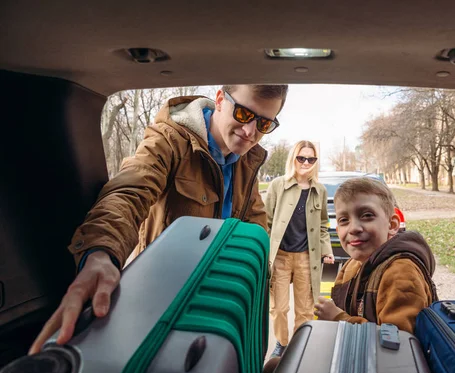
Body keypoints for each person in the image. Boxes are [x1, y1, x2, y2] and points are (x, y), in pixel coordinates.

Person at [29, 84, 289, 354]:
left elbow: (255, 233)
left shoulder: (248, 164)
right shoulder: (169, 140)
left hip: (217, 305)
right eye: (245, 115)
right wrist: (101, 253)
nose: (250, 132)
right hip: (162, 305)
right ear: (221, 99)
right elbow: (129, 191)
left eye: (263, 124)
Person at [314, 177, 438, 333]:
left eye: (366, 215)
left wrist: (338, 318)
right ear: (338, 230)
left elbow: (399, 342)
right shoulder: (351, 265)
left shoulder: (400, 272)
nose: (354, 228)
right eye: (344, 220)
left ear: (392, 225)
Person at [264, 140, 334, 358]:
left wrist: (327, 249)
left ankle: (298, 346)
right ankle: (282, 343)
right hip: (281, 258)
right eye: (301, 157)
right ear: (293, 158)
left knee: (305, 310)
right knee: (279, 308)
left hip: (306, 258)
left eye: (310, 159)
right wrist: (265, 252)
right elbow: (266, 221)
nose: (306, 162)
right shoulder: (277, 185)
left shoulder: (319, 190)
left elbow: (323, 225)